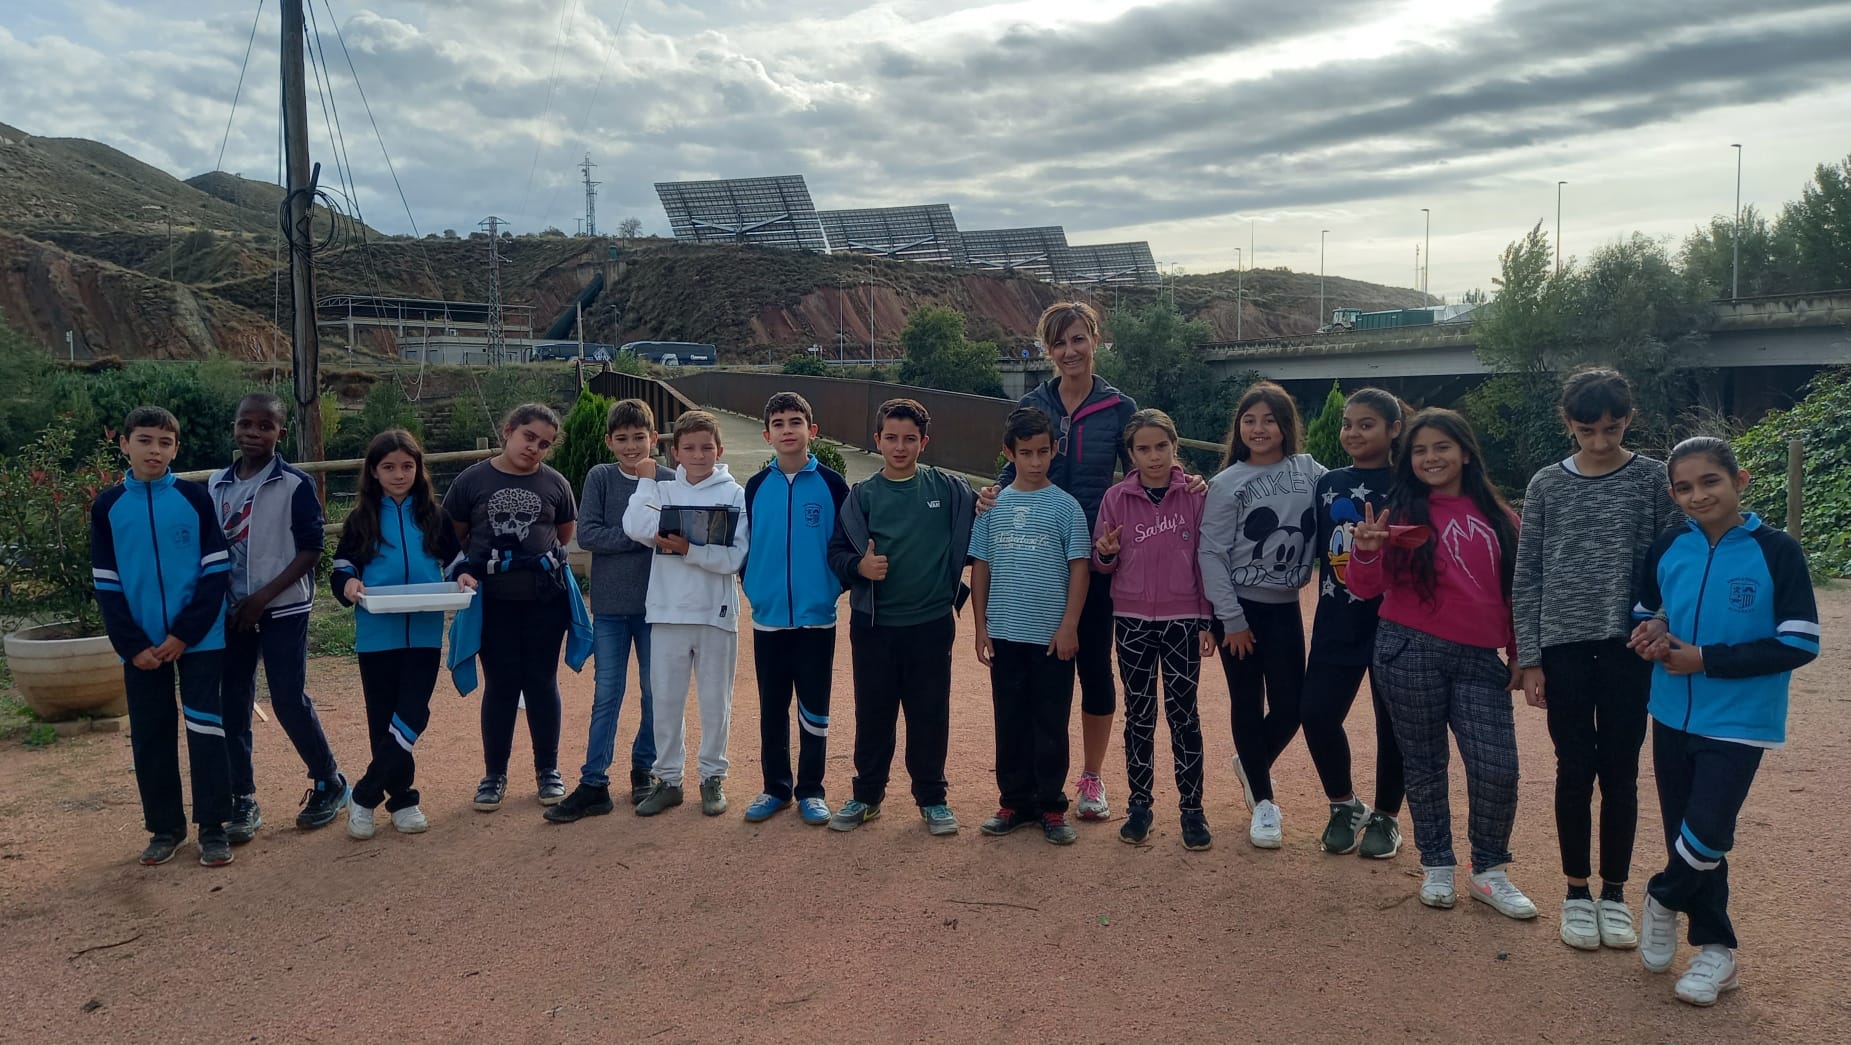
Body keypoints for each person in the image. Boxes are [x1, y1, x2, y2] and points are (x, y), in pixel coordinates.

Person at [1627, 436, 1819, 1007]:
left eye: (1710, 481)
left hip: (1740, 720)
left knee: (1708, 831)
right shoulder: (1668, 546)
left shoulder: (1778, 551)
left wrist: (1706, 659)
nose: (1698, 495)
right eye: (1684, 487)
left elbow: (1800, 641)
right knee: (1687, 835)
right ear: (1672, 495)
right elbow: (1644, 612)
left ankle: (1663, 896)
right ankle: (1717, 952)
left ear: (1740, 480)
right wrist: (1653, 632)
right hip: (1670, 713)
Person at [1514, 368, 1682, 952]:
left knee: (1620, 770)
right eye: (1588, 430)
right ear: (1569, 423)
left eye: (1612, 428)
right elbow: (1528, 574)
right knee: (1573, 768)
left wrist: (1662, 620)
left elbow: (1674, 561)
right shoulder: (1545, 483)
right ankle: (1575, 892)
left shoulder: (1654, 478)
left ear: (1628, 419)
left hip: (1626, 648)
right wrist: (1529, 659)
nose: (1601, 440)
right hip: (1561, 648)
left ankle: (1614, 893)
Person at [1348, 408, 1538, 920]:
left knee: (1497, 769)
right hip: (1408, 649)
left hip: (1479, 659)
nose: (1431, 458)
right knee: (1424, 764)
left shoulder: (1502, 519)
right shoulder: (1398, 516)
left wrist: (1520, 653)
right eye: (1419, 450)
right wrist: (1365, 551)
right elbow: (1364, 588)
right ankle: (1436, 863)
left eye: (1442, 447)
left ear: (1466, 452)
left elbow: (1517, 593)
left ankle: (1489, 869)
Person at [979, 302, 1139, 821]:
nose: (1070, 351)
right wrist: (992, 495)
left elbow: (1146, 466)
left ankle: (1091, 777)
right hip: (1035, 563)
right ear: (1048, 350)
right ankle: (1027, 786)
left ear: (1095, 339)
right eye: (1059, 343)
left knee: (1093, 669)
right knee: (1031, 678)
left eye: (1078, 339)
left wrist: (1188, 482)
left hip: (1095, 559)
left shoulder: (1119, 407)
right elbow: (1012, 465)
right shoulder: (1033, 403)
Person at [92, 405, 236, 867]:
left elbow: (215, 571)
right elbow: (106, 583)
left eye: (164, 442)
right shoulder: (108, 507)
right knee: (151, 734)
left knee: (205, 727)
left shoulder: (196, 499)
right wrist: (132, 645)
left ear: (176, 449)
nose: (154, 450)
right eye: (145, 441)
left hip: (199, 639)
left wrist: (184, 634)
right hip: (140, 647)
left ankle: (213, 826)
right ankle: (165, 828)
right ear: (125, 444)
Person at [827, 398, 976, 836]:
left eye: (910, 439)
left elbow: (983, 517)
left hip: (931, 624)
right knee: (874, 714)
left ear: (924, 442)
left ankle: (933, 799)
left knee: (929, 713)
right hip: (874, 627)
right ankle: (867, 796)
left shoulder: (950, 489)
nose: (899, 446)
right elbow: (836, 553)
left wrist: (991, 499)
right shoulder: (862, 496)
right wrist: (859, 568)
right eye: (891, 438)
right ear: (877, 440)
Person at [210, 392, 347, 841]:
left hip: (284, 607)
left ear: (280, 433)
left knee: (288, 698)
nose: (253, 432)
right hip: (233, 610)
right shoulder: (217, 485)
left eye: (264, 426)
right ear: (234, 427)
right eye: (245, 424)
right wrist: (230, 601)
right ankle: (242, 797)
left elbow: (312, 550)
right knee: (233, 701)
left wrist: (262, 598)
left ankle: (328, 779)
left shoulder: (294, 484)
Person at [1198, 380, 1324, 849]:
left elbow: (1344, 498)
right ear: (1238, 428)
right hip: (1240, 610)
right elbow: (1211, 553)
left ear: (1286, 425)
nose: (1259, 428)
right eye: (1249, 420)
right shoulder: (1227, 483)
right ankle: (1264, 803)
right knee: (1247, 702)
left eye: (1269, 419)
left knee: (1293, 707)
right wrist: (1230, 620)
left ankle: (1252, 762)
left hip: (1285, 607)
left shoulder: (1310, 471)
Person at [329, 430, 469, 839]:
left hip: (424, 631)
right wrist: (349, 584)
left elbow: (455, 562)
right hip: (377, 633)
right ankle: (403, 800)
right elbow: (343, 566)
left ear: (418, 469)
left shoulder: (435, 516)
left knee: (413, 713)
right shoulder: (361, 520)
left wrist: (463, 576)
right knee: (383, 720)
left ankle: (363, 794)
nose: (399, 474)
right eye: (389, 467)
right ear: (373, 472)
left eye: (407, 466)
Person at [443, 403, 578, 812]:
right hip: (493, 603)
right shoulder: (471, 481)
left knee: (542, 683)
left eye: (545, 443)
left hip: (545, 601)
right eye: (529, 437)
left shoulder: (556, 484)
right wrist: (466, 571)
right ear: (508, 431)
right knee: (500, 686)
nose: (535, 447)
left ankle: (548, 770)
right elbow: (453, 536)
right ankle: (494, 774)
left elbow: (563, 534)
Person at [1092, 408, 1214, 851]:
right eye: (1143, 448)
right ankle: (1139, 805)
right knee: (1139, 715)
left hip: (1183, 621)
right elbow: (1102, 561)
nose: (1154, 456)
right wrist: (1106, 553)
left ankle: (1192, 809)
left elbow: (1205, 560)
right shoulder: (1116, 498)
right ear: (1131, 453)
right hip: (1132, 621)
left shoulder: (1195, 496)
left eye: (1162, 446)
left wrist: (1206, 620)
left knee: (1184, 715)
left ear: (1174, 446)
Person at [547, 399, 675, 823]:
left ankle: (643, 767)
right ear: (609, 441)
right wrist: (640, 536)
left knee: (655, 693)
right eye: (622, 439)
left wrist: (640, 536)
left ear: (654, 439)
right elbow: (589, 534)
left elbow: (675, 535)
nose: (631, 446)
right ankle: (594, 781)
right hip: (610, 608)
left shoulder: (668, 479)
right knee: (607, 693)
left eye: (639, 437)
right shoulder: (600, 477)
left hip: (657, 607)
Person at [971, 407, 1091, 845]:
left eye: (1043, 451)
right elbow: (980, 567)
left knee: (1051, 722)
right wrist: (980, 627)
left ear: (1055, 449)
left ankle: (1051, 806)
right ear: (1009, 453)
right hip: (1005, 635)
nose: (1035, 461)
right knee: (1010, 720)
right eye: (1026, 453)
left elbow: (1080, 567)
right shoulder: (992, 506)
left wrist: (1069, 625)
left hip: (1050, 639)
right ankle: (1014, 802)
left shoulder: (1066, 507)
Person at [622, 410, 749, 817]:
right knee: (665, 701)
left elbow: (735, 557)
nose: (698, 455)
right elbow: (635, 525)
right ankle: (669, 780)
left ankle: (712, 777)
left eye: (706, 448)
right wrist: (645, 479)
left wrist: (689, 550)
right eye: (689, 448)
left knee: (716, 701)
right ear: (675, 452)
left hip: (716, 613)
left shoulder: (735, 494)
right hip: (667, 612)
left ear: (719, 451)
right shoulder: (661, 490)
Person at [1301, 388, 1407, 859]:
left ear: (1394, 429)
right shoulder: (1328, 483)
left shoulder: (1411, 483)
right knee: (1316, 713)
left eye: (1367, 424)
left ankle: (1386, 816)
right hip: (1336, 619)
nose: (1353, 433)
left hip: (1396, 624)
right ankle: (1344, 804)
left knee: (1394, 725)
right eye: (1348, 424)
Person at [740, 393, 849, 826]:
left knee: (814, 708)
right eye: (779, 423)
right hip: (768, 618)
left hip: (816, 617)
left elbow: (845, 544)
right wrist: (754, 585)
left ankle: (811, 790)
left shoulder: (832, 484)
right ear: (767, 434)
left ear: (812, 431)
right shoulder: (754, 487)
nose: (788, 430)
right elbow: (746, 544)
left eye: (796, 422)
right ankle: (776, 788)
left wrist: (830, 589)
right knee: (772, 707)